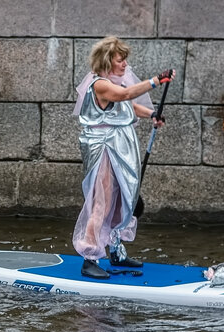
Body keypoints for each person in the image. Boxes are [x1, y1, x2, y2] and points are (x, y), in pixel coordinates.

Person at [70, 36, 173, 279]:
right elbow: (125, 95)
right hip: (104, 147)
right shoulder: (100, 85)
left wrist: (152, 114)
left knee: (122, 199)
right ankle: (90, 258)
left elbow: (127, 106)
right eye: (120, 60)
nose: (125, 64)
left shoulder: (115, 82)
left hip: (120, 146)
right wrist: (156, 81)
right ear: (107, 62)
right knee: (102, 202)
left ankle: (116, 250)